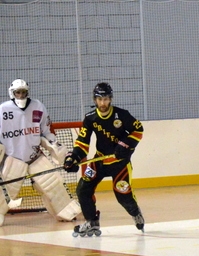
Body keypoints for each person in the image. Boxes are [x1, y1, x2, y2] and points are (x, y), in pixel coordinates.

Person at [64, 82, 144, 237]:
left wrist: (126, 143)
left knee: (122, 195)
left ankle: (136, 213)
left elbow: (138, 129)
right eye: (100, 99)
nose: (103, 103)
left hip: (120, 164)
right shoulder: (90, 118)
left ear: (111, 99)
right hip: (99, 160)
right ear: (95, 100)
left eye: (106, 99)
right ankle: (91, 221)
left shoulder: (122, 115)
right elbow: (82, 142)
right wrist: (73, 157)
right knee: (82, 189)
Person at [0, 79, 81, 226]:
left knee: (53, 183)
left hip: (35, 156)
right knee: (6, 190)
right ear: (12, 93)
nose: (21, 95)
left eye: (24, 92)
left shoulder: (38, 106)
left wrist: (61, 153)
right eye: (18, 92)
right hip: (13, 159)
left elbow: (46, 132)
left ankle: (66, 210)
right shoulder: (3, 110)